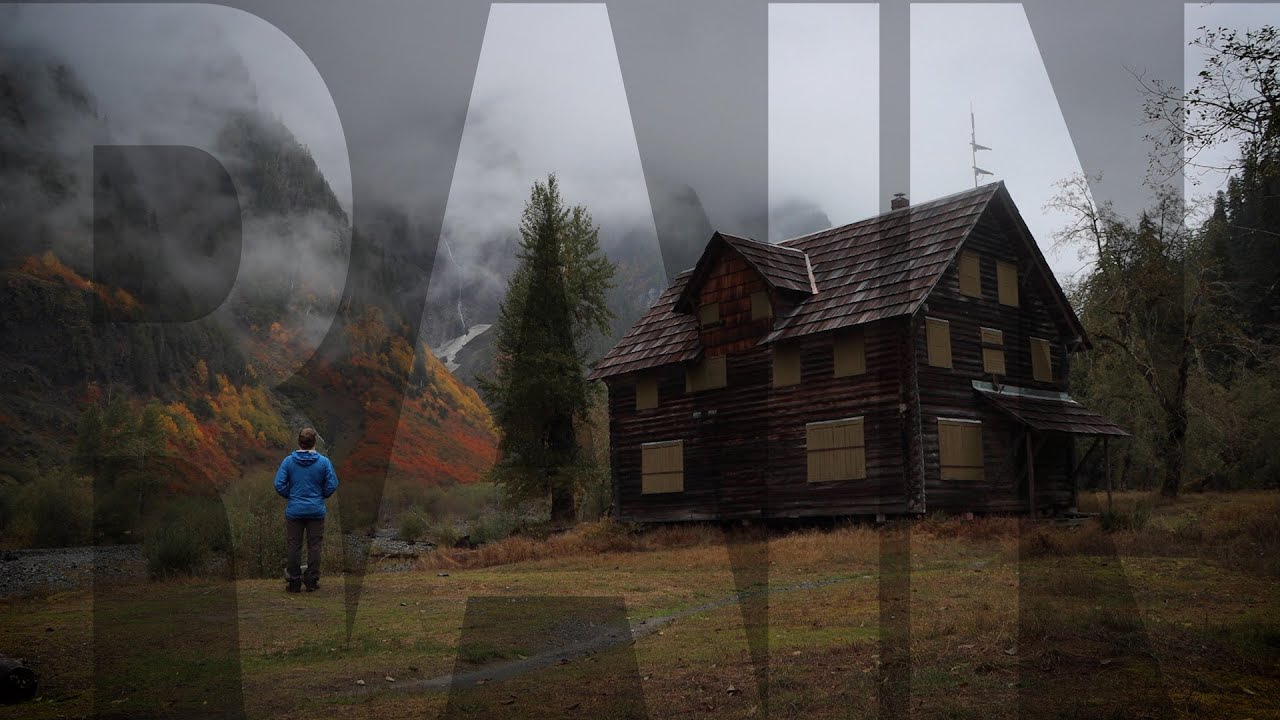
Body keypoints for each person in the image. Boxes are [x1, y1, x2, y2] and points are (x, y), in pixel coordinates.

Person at [274, 427, 339, 593]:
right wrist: (320, 496)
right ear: (314, 442)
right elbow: (332, 484)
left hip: (294, 511)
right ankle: (311, 581)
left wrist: (292, 496)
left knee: (294, 546)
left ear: (299, 442)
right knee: (315, 546)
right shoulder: (324, 462)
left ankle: (294, 582)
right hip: (316, 511)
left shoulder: (288, 461)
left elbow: (279, 484)